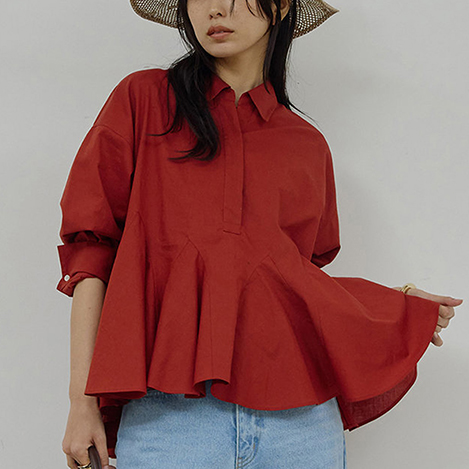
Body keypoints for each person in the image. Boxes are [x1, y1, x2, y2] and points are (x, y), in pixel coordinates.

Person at [57, 0, 462, 468]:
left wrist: (395, 304)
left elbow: (291, 288)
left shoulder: (307, 145)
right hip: (171, 422)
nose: (215, 9)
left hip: (300, 429)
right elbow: (91, 254)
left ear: (281, 6)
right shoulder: (144, 101)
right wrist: (81, 402)